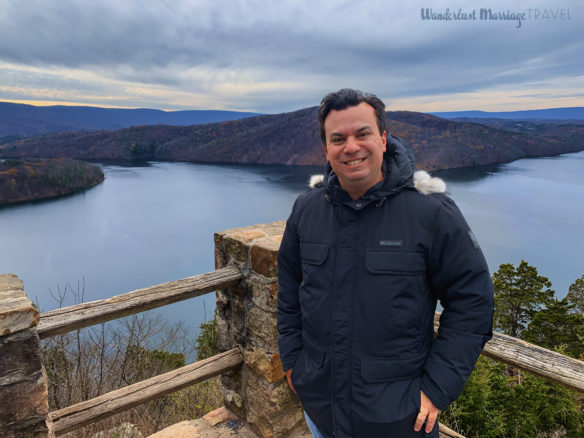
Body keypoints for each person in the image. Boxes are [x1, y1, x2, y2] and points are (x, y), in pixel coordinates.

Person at [277, 89, 494, 438]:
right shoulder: (307, 209)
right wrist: (293, 362)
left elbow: (473, 301)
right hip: (321, 411)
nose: (351, 147)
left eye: (362, 134)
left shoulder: (431, 213)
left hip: (398, 420)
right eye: (338, 138)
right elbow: (289, 287)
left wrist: (437, 387)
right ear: (326, 149)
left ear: (382, 138)